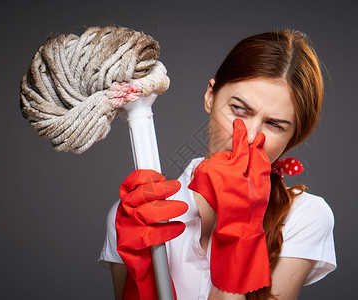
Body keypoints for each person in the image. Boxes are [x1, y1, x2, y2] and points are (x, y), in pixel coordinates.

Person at [99, 29, 337, 300]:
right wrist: (141, 278)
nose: (247, 137)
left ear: (292, 138)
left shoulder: (304, 217)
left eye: (274, 124)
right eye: (239, 109)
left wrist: (239, 234)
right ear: (210, 96)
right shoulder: (137, 213)